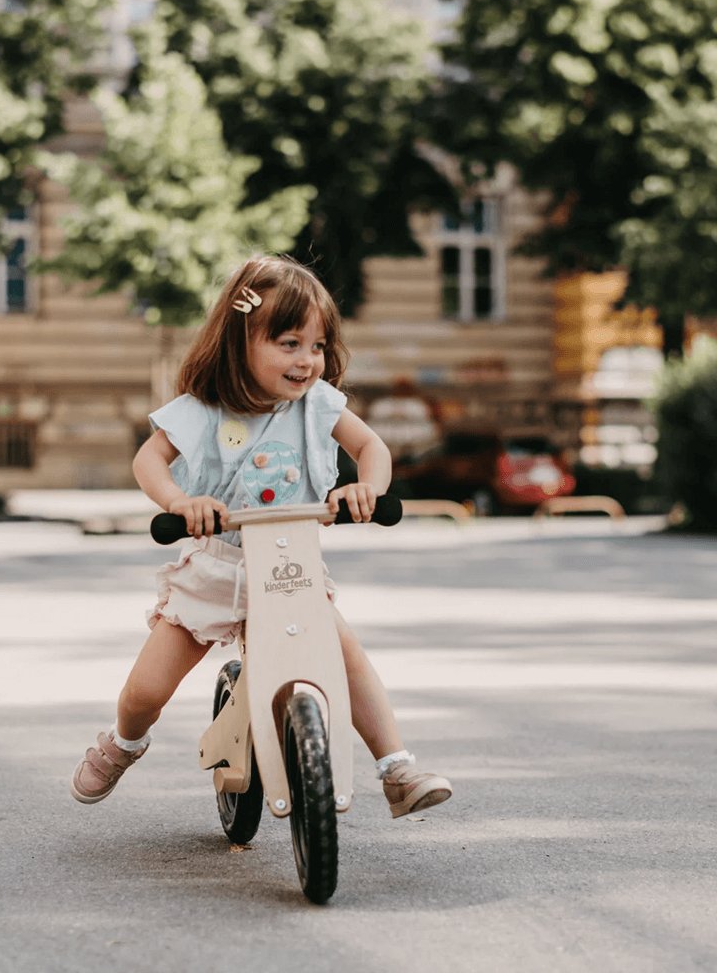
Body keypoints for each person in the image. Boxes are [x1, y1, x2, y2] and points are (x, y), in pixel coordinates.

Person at [70, 255, 452, 819]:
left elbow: (373, 449)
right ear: (240, 339)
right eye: (290, 343)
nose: (308, 361)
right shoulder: (204, 409)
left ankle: (395, 766)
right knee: (147, 691)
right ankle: (123, 742)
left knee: (346, 661)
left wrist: (364, 490)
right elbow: (150, 459)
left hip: (290, 564)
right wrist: (180, 502)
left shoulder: (319, 404)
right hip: (215, 568)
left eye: (318, 346)